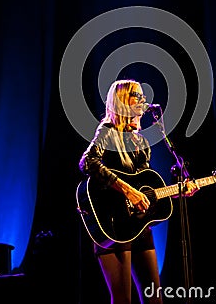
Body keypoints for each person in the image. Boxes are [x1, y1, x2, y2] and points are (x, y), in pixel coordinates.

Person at [78, 79, 199, 304]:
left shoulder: (141, 141)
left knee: (154, 299)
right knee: (123, 299)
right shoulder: (107, 132)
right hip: (113, 224)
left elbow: (147, 189)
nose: (143, 101)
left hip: (139, 225)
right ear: (123, 101)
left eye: (143, 96)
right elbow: (88, 162)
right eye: (138, 96)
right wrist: (127, 191)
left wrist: (178, 191)